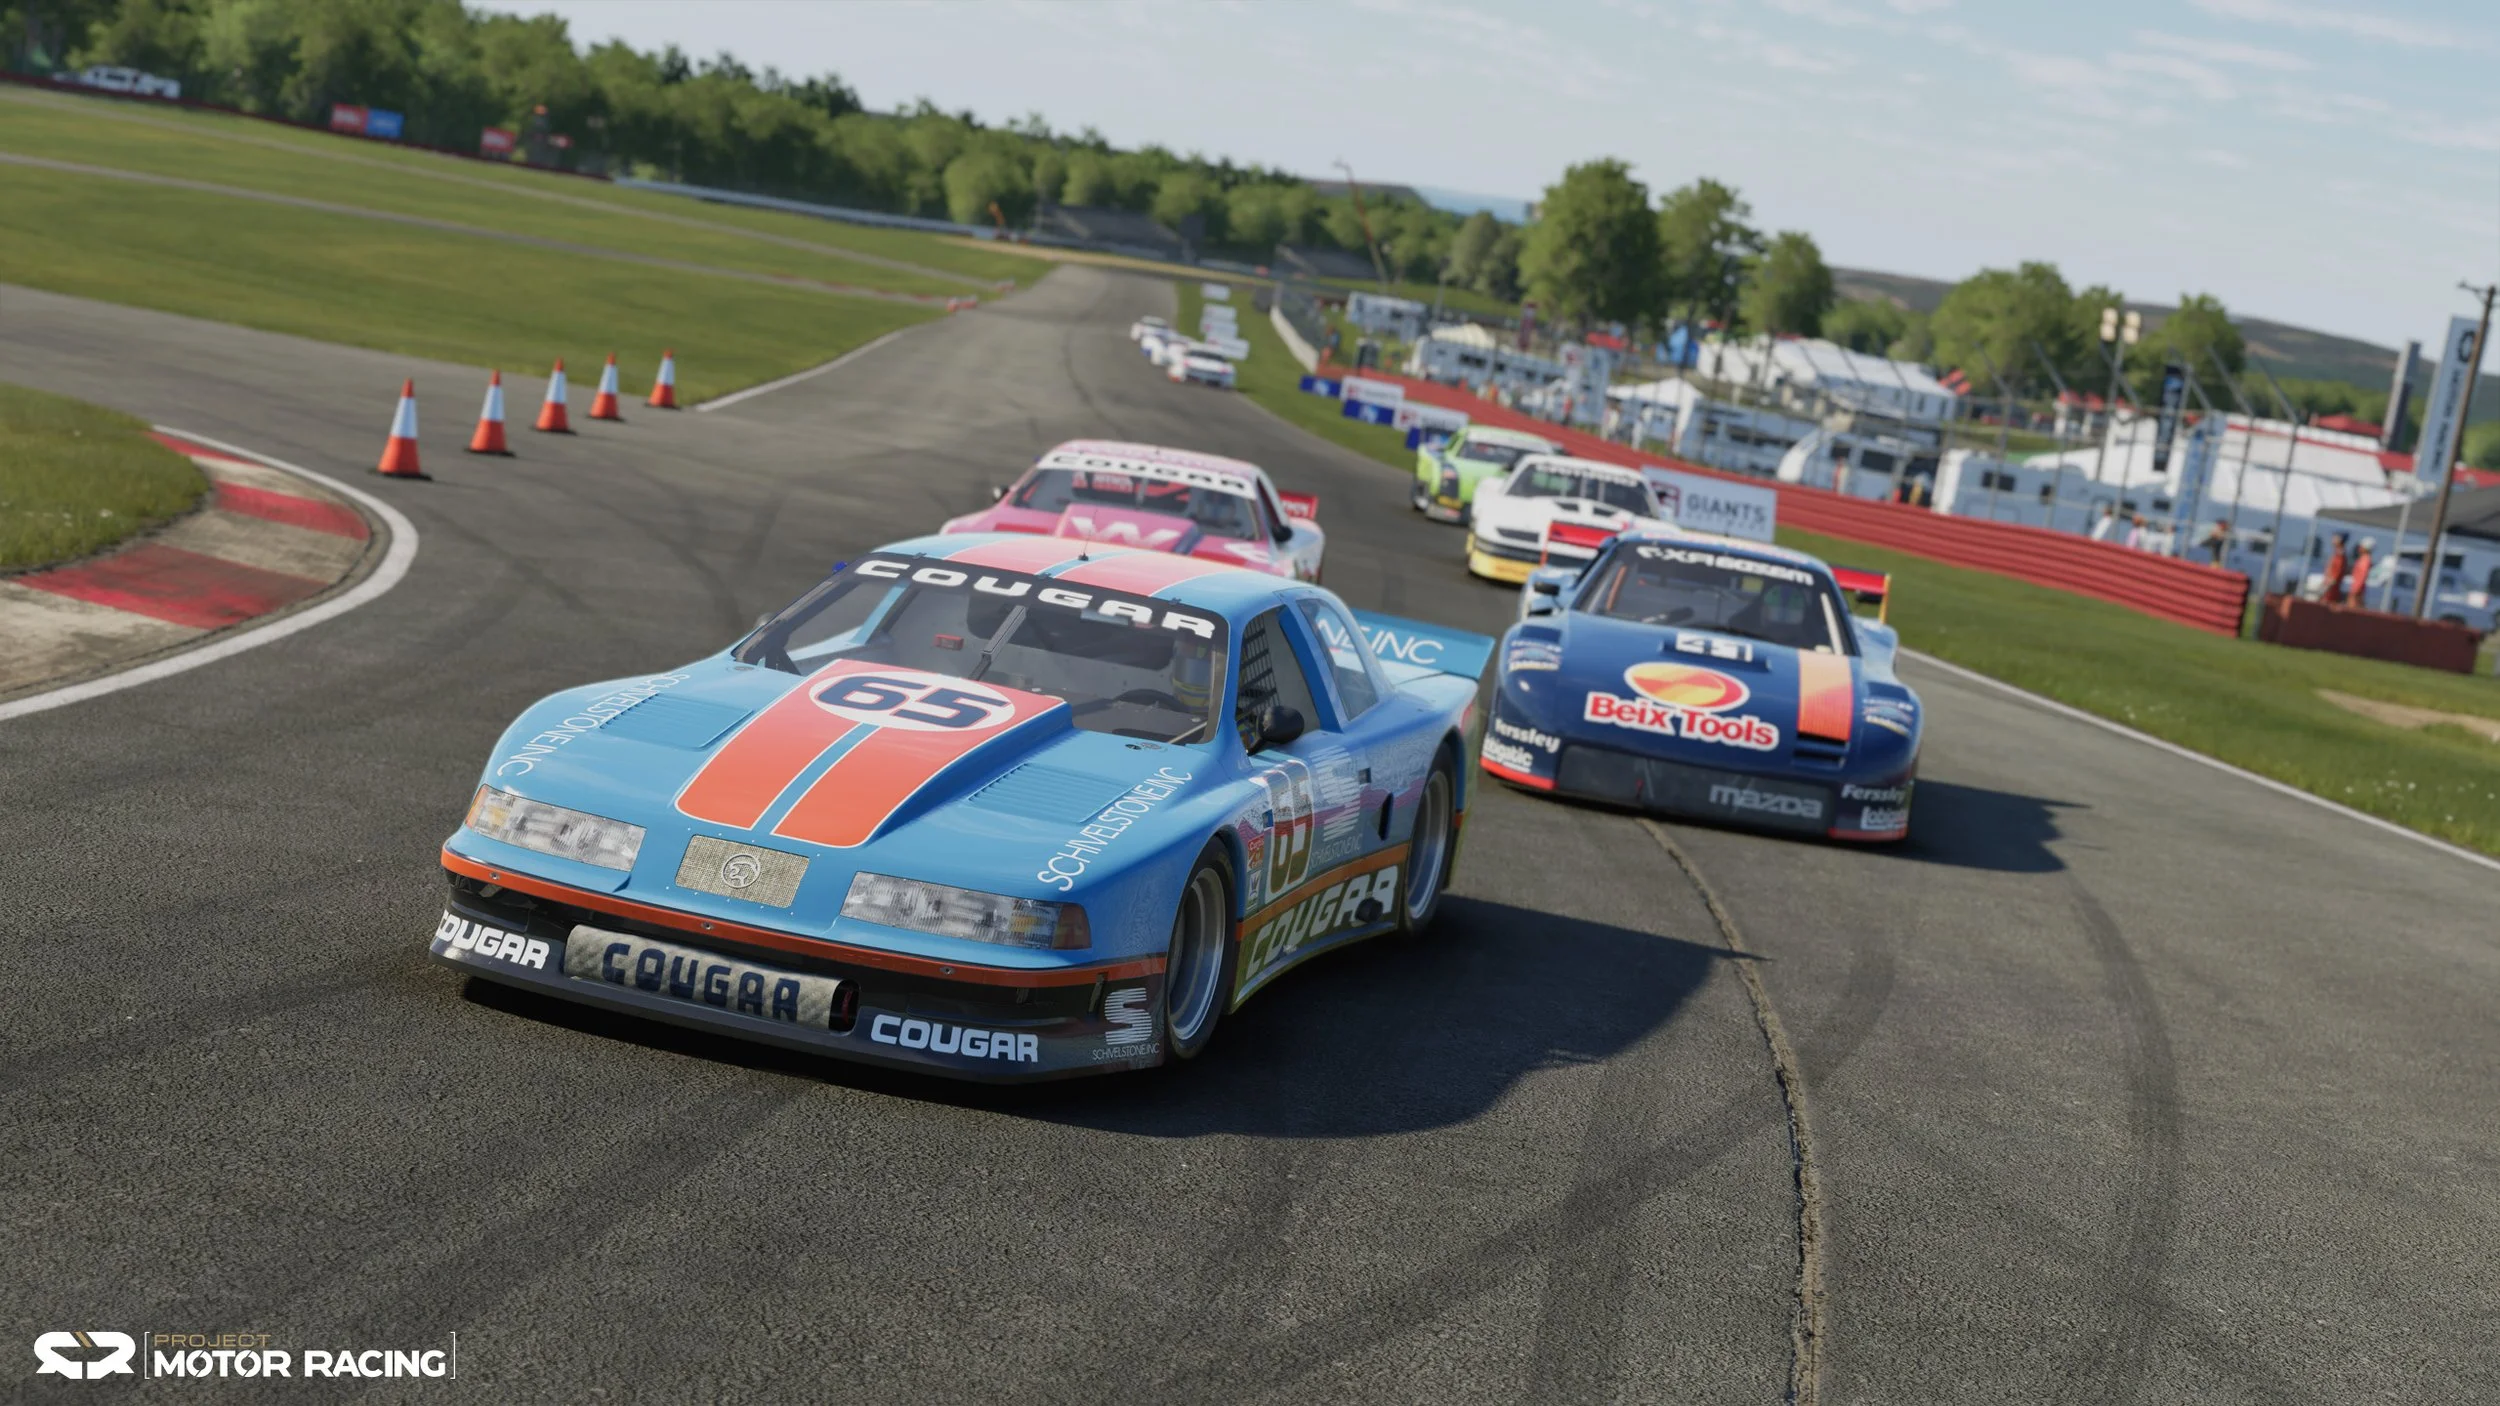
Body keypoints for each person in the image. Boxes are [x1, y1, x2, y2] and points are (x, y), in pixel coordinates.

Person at [2321, 533, 2349, 604]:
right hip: (2329, 585)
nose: (2332, 539)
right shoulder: (2337, 552)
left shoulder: (2340, 554)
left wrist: (2329, 584)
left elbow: (2337, 571)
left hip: (2331, 587)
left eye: (2335, 537)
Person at [2346, 540, 2373, 609]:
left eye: (2361, 546)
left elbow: (2362, 576)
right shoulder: (2363, 559)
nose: (2359, 548)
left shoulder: (2365, 560)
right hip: (2356, 587)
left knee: (2353, 607)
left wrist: (2356, 589)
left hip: (2357, 589)